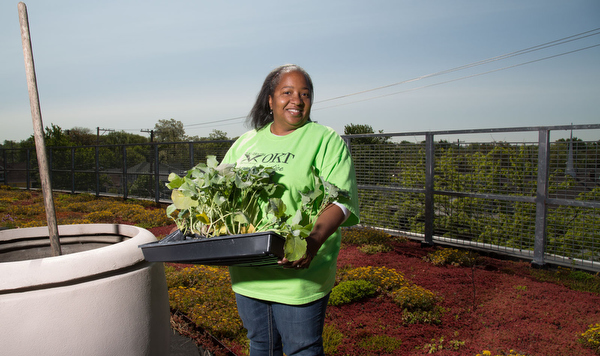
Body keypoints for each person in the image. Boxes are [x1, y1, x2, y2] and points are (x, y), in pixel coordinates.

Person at [221, 64, 360, 356]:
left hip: (298, 275)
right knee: (261, 346)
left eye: (305, 94)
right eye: (287, 92)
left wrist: (311, 243)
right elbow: (220, 192)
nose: (297, 100)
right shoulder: (245, 143)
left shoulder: (325, 140)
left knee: (302, 349)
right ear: (270, 100)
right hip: (249, 274)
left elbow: (342, 202)